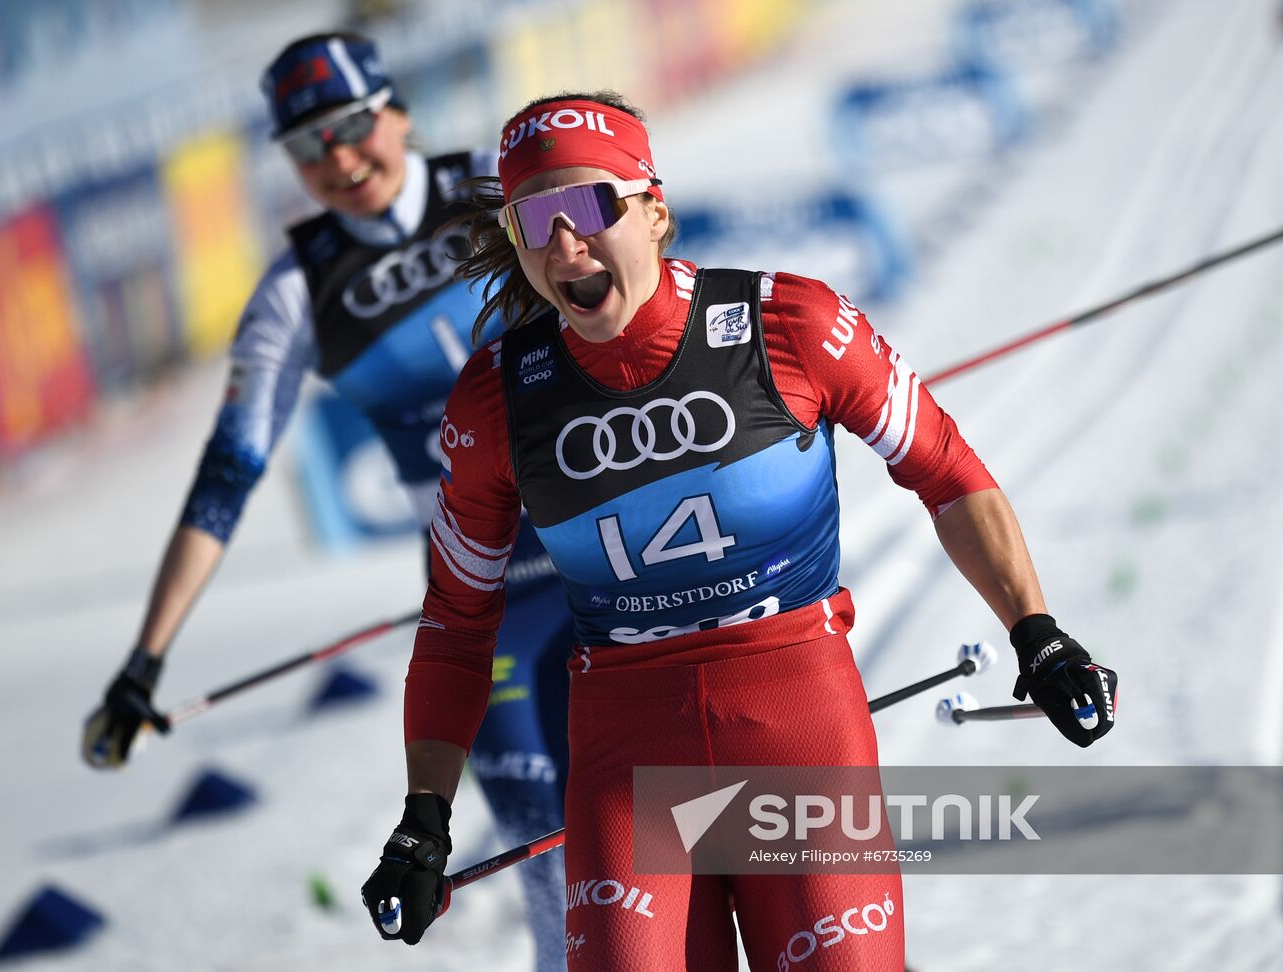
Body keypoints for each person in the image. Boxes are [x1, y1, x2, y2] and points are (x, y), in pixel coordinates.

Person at [359, 90, 1119, 970]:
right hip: (626, 760)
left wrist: (1039, 634)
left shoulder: (790, 323)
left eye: (587, 205)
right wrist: (424, 819)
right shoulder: (497, 398)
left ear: (653, 209)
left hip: (797, 727)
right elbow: (457, 622)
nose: (564, 243)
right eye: (534, 218)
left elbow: (947, 475)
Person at [79, 33, 572, 972]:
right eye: (307, 149)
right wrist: (145, 661)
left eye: (352, 128)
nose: (340, 162)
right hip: (485, 601)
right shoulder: (296, 292)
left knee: (698, 811)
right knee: (552, 857)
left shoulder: (499, 186)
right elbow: (227, 475)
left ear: (398, 111)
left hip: (614, 553)